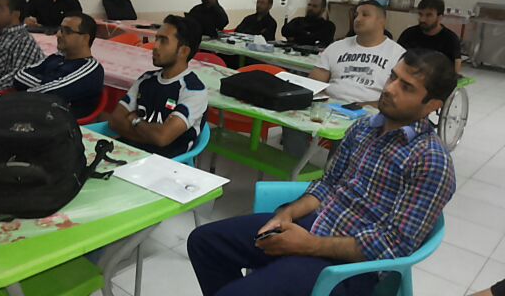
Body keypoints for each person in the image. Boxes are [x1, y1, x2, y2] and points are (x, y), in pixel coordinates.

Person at [188, 49, 457, 296]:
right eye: (392, 77)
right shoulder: (364, 127)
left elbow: (393, 245)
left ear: (433, 105)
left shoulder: (431, 161)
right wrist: (287, 214)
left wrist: (308, 244)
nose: (389, 89)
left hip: (351, 267)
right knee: (204, 242)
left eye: (406, 87)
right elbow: (328, 184)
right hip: (316, 225)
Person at [108, 15, 207, 158]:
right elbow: (115, 120)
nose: (155, 46)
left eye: (163, 41)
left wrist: (135, 120)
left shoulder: (193, 91)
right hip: (129, 154)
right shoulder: (146, 79)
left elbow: (162, 138)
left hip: (165, 164)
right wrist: (151, 136)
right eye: (156, 39)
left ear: (184, 51)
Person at [311, 0, 405, 104]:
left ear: (382, 21)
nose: (357, 19)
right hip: (329, 106)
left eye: (365, 15)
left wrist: (362, 106)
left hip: (372, 110)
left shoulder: (398, 55)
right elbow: (314, 83)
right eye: (356, 15)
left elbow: (399, 99)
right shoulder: (336, 47)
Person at [14, 11, 104, 119]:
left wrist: (39, 84)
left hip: (60, 125)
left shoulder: (91, 70)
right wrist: (48, 83)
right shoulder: (58, 57)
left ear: (85, 38)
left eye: (67, 31)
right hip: (35, 115)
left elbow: (47, 94)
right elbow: (19, 75)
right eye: (60, 29)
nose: (58, 34)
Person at [398, 0, 462, 74]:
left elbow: (456, 67)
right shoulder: (409, 34)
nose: (422, 19)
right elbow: (396, 56)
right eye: (420, 14)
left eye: (428, 15)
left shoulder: (450, 39)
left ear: (440, 17)